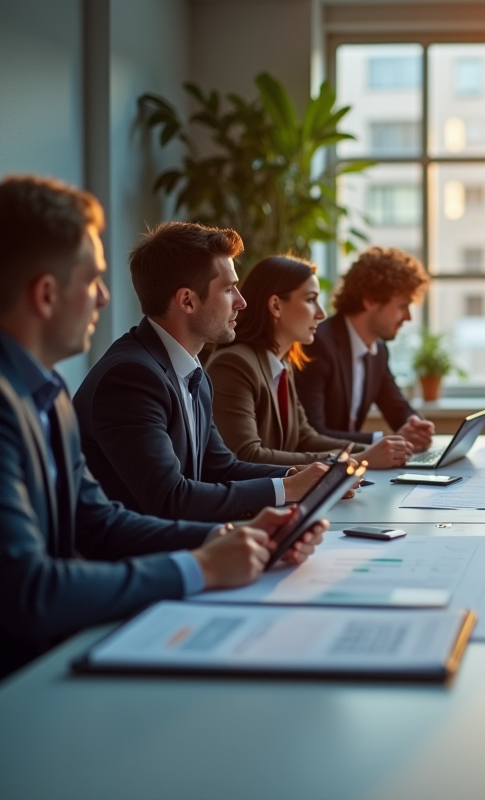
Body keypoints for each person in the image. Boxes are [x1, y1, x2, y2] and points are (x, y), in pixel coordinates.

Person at [0, 175, 325, 677]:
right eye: (91, 280)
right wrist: (202, 565)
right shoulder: (120, 376)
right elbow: (30, 592)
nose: (104, 298)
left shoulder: (50, 393)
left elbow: (100, 520)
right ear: (46, 295)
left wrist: (232, 537)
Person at [74, 222, 330, 522]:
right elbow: (170, 500)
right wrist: (286, 488)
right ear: (187, 300)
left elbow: (220, 467)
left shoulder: (192, 371)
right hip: (131, 560)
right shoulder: (130, 378)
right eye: (229, 289)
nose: (242, 302)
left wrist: (298, 476)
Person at [207, 255, 414, 468]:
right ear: (276, 306)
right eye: (310, 300)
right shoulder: (234, 364)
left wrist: (378, 451)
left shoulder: (281, 365)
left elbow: (305, 438)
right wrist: (358, 460)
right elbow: (247, 456)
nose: (321, 313)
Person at [296, 247, 435, 452]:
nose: (408, 317)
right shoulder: (318, 344)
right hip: (318, 471)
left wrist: (414, 424)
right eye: (402, 306)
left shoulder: (378, 350)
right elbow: (313, 434)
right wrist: (382, 440)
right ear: (370, 300)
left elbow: (396, 406)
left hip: (353, 470)